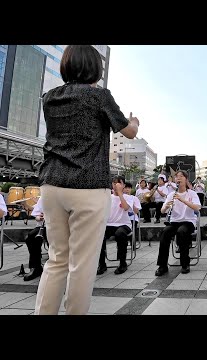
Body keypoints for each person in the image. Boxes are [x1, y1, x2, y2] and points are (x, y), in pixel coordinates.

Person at [34, 45, 139, 315]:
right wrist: (135, 121)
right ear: (96, 69)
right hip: (88, 186)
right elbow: (128, 132)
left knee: (57, 259)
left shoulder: (49, 97)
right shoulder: (99, 96)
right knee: (81, 264)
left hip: (52, 183)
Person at [155, 170, 201, 276]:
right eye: (176, 177)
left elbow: (197, 208)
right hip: (175, 222)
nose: (178, 178)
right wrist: (166, 206)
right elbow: (162, 211)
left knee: (182, 231)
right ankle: (162, 266)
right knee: (165, 232)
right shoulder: (171, 194)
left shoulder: (192, 193)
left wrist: (183, 200)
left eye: (181, 176)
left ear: (186, 179)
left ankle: (185, 264)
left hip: (188, 221)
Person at [97, 175, 135, 275]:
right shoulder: (108, 197)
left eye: (118, 183)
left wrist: (120, 194)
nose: (115, 185)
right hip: (109, 224)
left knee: (120, 233)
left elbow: (126, 208)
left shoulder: (128, 197)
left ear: (123, 185)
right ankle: (101, 264)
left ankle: (123, 263)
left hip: (124, 225)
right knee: (98, 234)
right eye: (114, 183)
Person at [23, 197, 47, 281]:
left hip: (60, 226)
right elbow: (37, 214)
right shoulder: (44, 197)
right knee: (31, 238)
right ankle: (36, 267)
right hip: (44, 226)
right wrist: (38, 217)